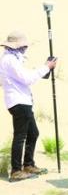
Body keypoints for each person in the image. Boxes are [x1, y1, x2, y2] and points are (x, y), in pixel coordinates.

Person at [0, 31, 57, 182]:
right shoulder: (10, 60)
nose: (25, 48)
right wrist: (46, 67)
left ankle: (28, 164)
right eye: (23, 46)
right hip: (18, 102)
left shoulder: (13, 59)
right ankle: (16, 170)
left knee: (33, 133)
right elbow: (27, 78)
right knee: (20, 137)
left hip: (23, 101)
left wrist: (45, 69)